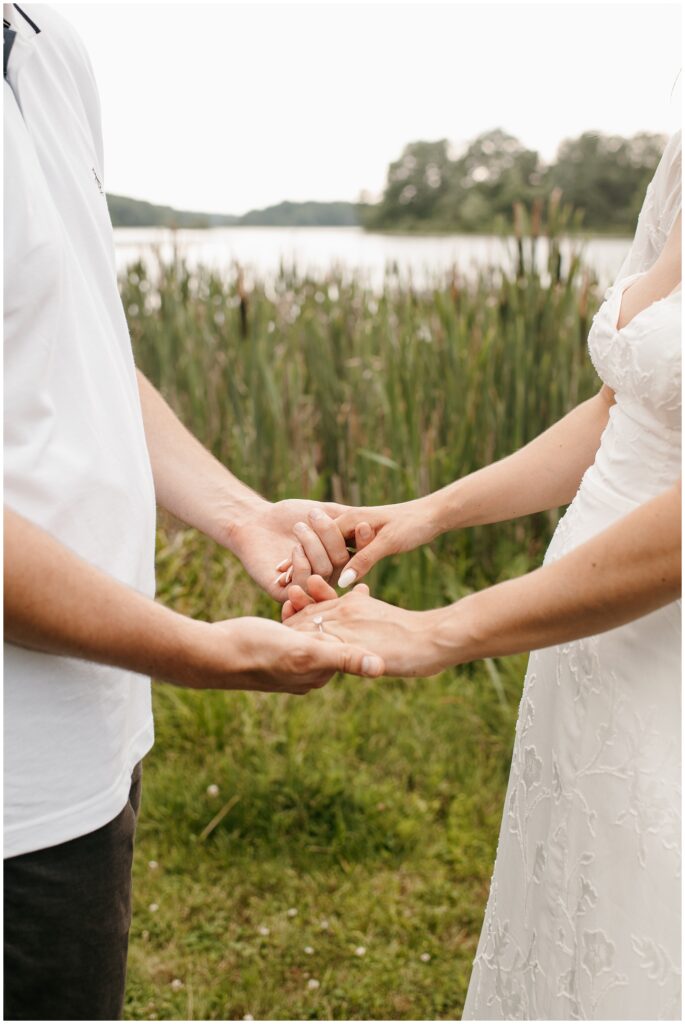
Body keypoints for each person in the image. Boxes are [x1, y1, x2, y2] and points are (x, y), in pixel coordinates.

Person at [3, 5, 383, 1020]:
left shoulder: (47, 46)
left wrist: (238, 512)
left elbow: (73, 345)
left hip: (91, 739)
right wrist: (197, 650)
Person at [282, 132, 682, 1019]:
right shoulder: (681, 161)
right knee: (580, 904)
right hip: (578, 637)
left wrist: (445, 627)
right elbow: (623, 408)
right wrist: (430, 511)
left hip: (670, 654)